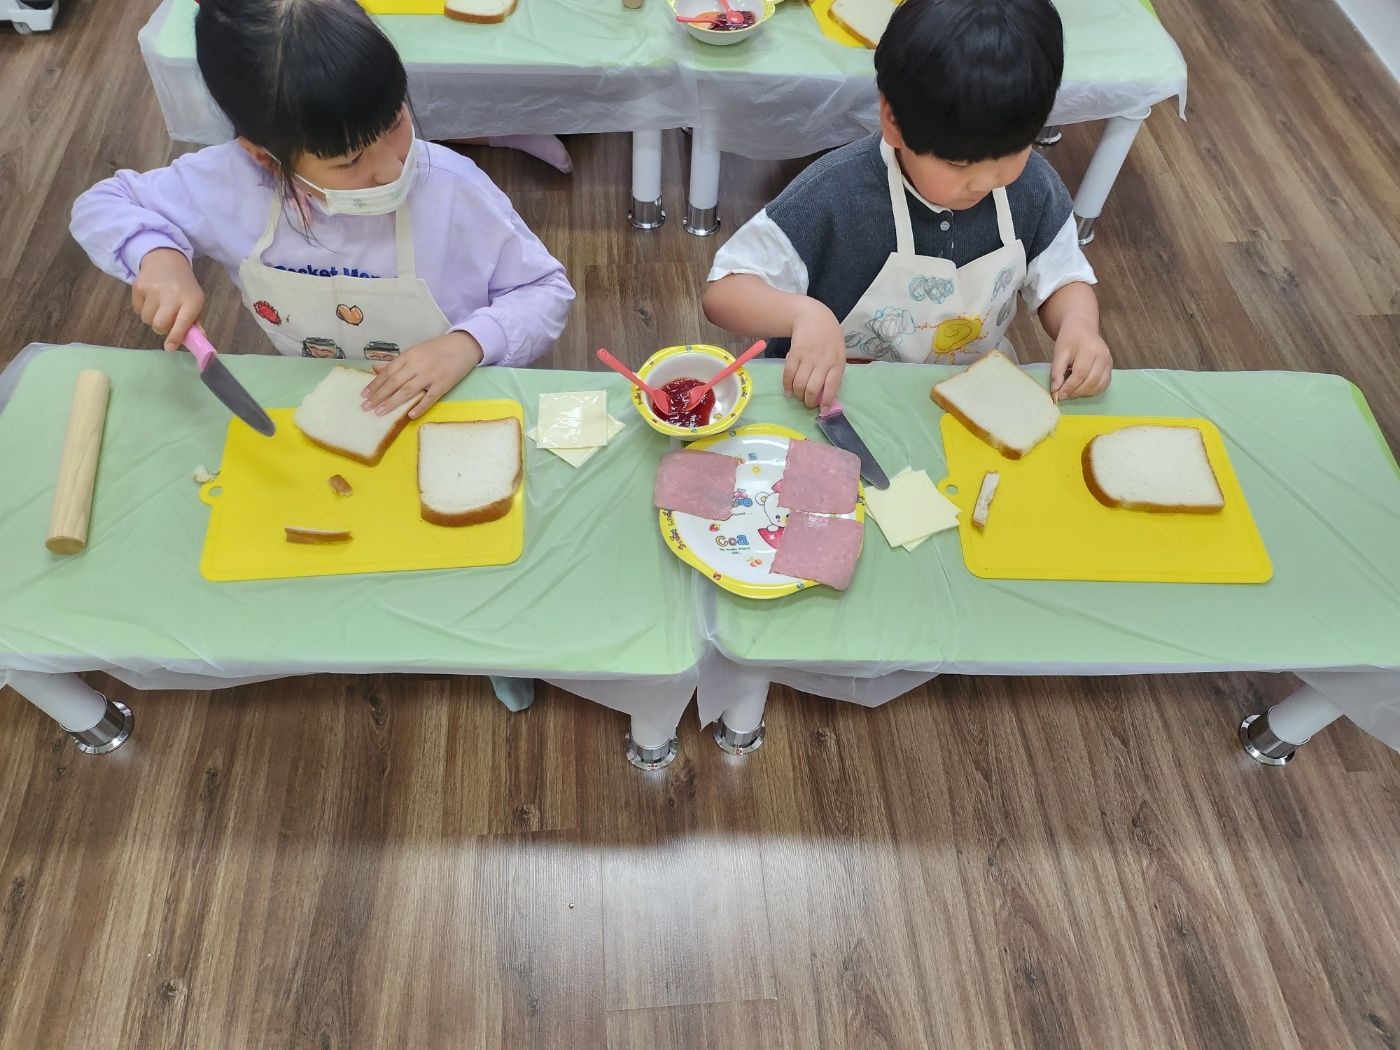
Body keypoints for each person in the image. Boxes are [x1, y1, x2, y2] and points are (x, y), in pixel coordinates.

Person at [71, 0, 573, 420]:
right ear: (264, 157)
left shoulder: (452, 189)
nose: (391, 169)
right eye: (349, 161)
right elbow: (106, 203)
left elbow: (544, 291)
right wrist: (157, 256)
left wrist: (468, 344)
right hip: (320, 395)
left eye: (395, 122)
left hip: (454, 392)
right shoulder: (230, 184)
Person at [702, 0, 1111, 411]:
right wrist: (804, 315)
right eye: (958, 164)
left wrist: (1078, 327)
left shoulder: (1033, 187)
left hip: (968, 395)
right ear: (893, 121)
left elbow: (1062, 278)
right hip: (835, 398)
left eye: (1011, 154)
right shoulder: (836, 192)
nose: (985, 182)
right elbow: (724, 293)